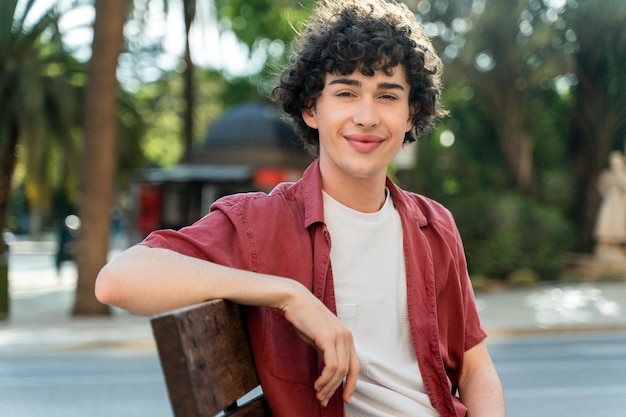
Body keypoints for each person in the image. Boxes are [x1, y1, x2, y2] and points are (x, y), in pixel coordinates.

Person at [96, 1, 505, 416]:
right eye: (346, 93)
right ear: (311, 108)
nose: (366, 116)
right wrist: (289, 295)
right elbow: (118, 280)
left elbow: (474, 366)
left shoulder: (434, 224)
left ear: (410, 112)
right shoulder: (262, 222)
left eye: (387, 96)